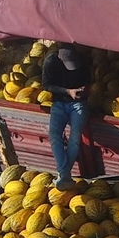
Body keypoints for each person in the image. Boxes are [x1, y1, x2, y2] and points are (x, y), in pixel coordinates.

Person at [41, 44, 92, 191]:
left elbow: (88, 83)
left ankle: (64, 175)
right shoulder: (50, 62)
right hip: (59, 103)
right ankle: (65, 174)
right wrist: (67, 91)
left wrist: (83, 91)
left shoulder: (81, 61)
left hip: (78, 104)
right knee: (54, 136)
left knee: (74, 138)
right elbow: (46, 85)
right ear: (59, 56)